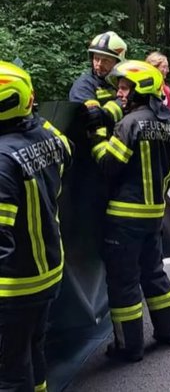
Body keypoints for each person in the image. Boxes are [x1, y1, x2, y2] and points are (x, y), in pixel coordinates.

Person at [90, 60, 170, 361]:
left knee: (124, 284)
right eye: (119, 87)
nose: (120, 93)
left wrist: (96, 134)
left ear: (140, 90)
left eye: (124, 87)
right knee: (154, 274)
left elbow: (108, 165)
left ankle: (128, 347)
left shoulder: (129, 124)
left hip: (124, 218)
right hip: (154, 215)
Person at [0, 61, 72, 391]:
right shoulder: (46, 136)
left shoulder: (2, 159)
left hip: (14, 284)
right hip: (48, 271)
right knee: (33, 351)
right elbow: (67, 150)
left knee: (10, 371)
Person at [69, 31, 127, 129]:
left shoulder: (125, 81)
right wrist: (120, 104)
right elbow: (92, 117)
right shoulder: (84, 85)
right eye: (96, 58)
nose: (99, 64)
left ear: (118, 62)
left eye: (105, 60)